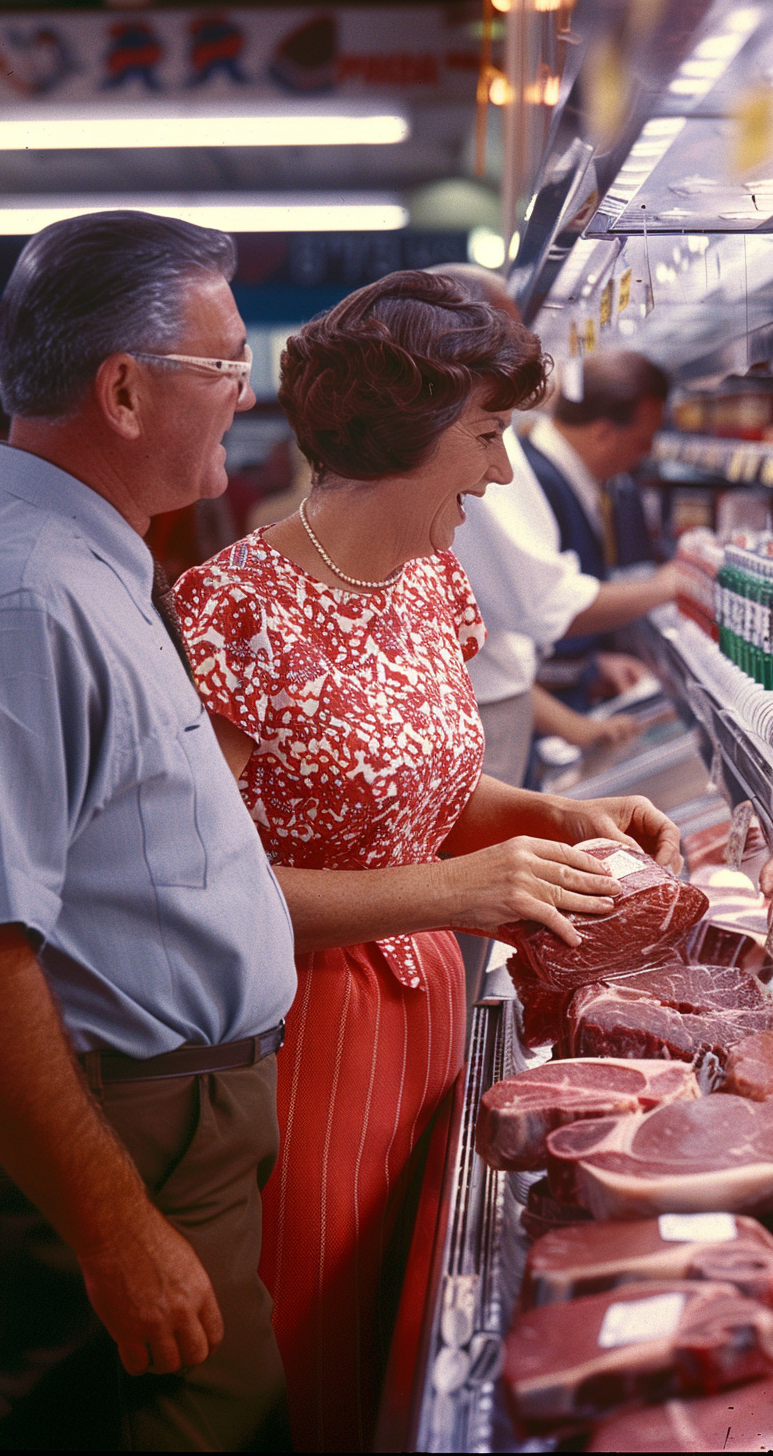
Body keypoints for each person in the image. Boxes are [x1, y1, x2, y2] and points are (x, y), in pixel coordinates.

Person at [174, 270, 681, 1452]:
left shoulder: (434, 585)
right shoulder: (233, 609)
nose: (502, 472)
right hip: (297, 1036)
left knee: (409, 1329)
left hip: (430, 1013)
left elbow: (425, 795)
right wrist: (460, 890)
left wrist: (560, 819)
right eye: (488, 437)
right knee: (317, 1342)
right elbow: (211, 894)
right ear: (411, 436)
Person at [0, 211, 297, 1451]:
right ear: (123, 388)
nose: (243, 396)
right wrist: (115, 1229)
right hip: (119, 1148)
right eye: (224, 367)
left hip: (172, 1133)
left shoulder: (96, 565)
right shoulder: (26, 596)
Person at [431, 264, 682, 784]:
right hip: (483, 720)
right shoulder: (489, 454)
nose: (498, 467)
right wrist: (672, 584)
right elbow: (543, 609)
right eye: (511, 336)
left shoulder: (493, 447)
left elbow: (491, 632)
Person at [521, 349, 671, 709]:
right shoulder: (531, 480)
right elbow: (550, 607)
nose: (643, 456)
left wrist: (590, 667)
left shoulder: (570, 477)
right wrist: (668, 585)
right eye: (642, 442)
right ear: (604, 432)